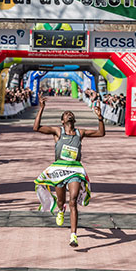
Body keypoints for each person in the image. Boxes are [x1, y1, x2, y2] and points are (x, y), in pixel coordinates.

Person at [33, 97, 105, 247]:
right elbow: (36, 128)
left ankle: (73, 235)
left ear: (74, 119)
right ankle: (60, 210)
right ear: (62, 121)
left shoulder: (80, 133)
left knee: (72, 201)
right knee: (61, 200)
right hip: (59, 169)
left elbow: (100, 133)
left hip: (75, 170)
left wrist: (100, 117)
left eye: (71, 113)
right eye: (66, 114)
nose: (69, 114)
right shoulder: (57, 132)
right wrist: (41, 108)